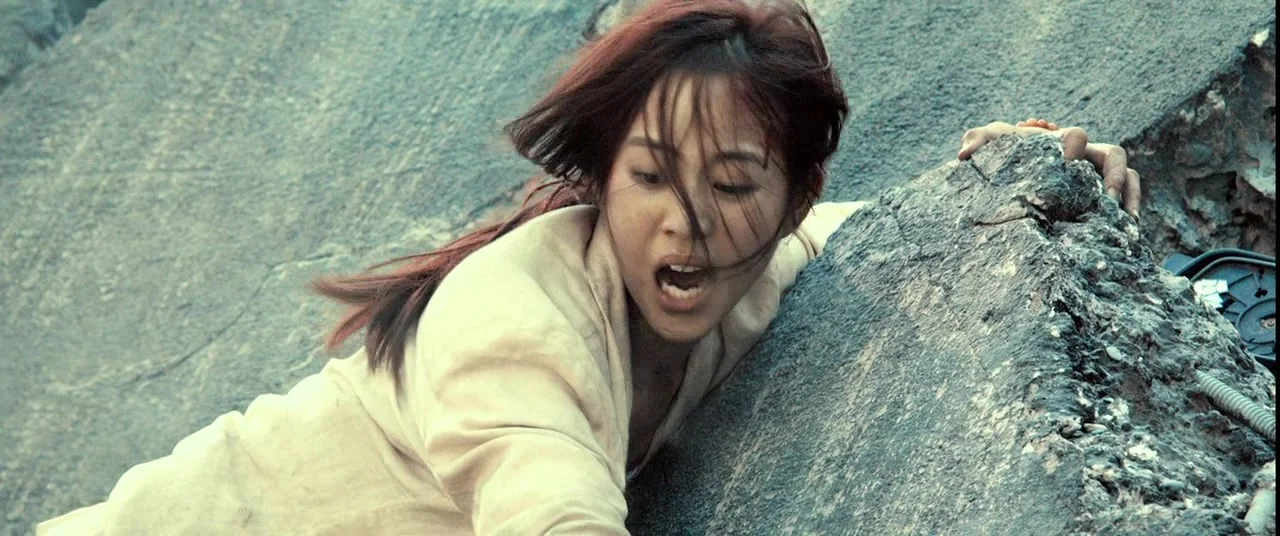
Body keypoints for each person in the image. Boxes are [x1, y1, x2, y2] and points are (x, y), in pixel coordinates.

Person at [36, 0, 1142, 534]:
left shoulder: (757, 270)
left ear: (788, 197)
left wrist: (1018, 171)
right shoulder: (515, 322)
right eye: (651, 176)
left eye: (731, 183)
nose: (685, 225)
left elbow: (860, 233)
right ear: (601, 181)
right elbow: (550, 512)